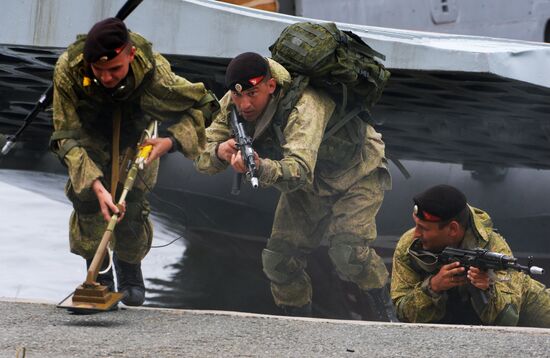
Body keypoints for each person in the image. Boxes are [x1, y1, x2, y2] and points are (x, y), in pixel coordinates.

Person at [194, 52, 394, 320]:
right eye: (239, 96)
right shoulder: (233, 101)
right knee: (279, 261)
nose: (244, 104)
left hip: (357, 171)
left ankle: (388, 313)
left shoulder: (305, 105)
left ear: (271, 85)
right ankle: (297, 325)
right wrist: (220, 151)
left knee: (349, 253)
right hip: (311, 182)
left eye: (252, 94)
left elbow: (299, 170)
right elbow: (200, 151)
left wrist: (261, 166)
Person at [50, 18, 216, 306]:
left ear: (130, 55)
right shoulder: (69, 69)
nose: (106, 78)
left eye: (114, 69)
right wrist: (96, 185)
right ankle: (100, 274)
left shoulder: (156, 75)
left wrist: (170, 141)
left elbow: (205, 105)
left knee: (133, 202)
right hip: (90, 135)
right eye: (98, 71)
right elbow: (64, 135)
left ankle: (129, 270)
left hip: (137, 136)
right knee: (88, 199)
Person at [391, 184, 550, 327]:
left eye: (424, 228)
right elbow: (403, 314)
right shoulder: (411, 248)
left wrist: (486, 289)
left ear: (453, 229)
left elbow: (507, 320)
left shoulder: (494, 250)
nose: (415, 234)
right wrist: (433, 287)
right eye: (416, 225)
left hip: (529, 311)